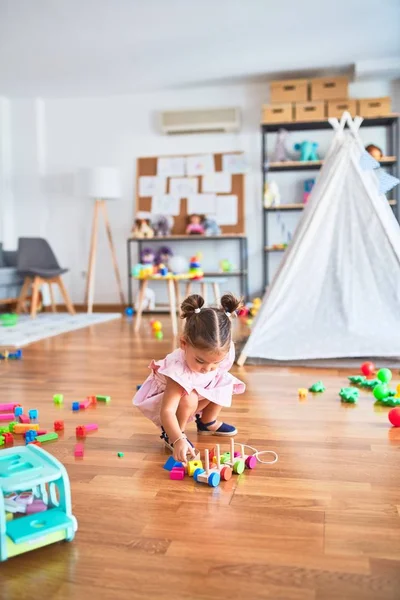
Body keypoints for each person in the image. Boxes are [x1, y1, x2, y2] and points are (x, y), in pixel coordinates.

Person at [133, 293, 245, 463]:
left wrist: (214, 367)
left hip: (200, 389)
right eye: (200, 361)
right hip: (173, 402)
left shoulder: (221, 352)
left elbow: (215, 371)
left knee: (225, 381)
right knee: (189, 399)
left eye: (215, 362)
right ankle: (175, 434)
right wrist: (178, 440)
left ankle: (207, 422)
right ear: (184, 344)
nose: (207, 368)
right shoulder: (178, 370)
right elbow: (167, 411)